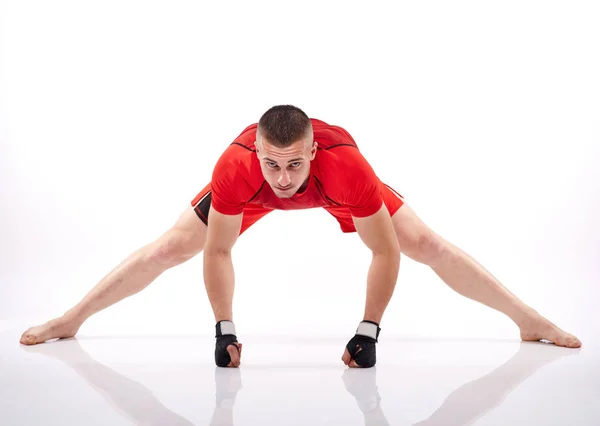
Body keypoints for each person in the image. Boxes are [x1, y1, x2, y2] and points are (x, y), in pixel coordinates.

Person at [19, 105, 582, 368]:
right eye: (272, 164)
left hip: (338, 187)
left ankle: (528, 320)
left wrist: (368, 332)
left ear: (312, 151)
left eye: (293, 164)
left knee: (425, 244)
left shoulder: (346, 168)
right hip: (245, 193)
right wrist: (224, 329)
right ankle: (71, 320)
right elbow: (218, 250)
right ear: (257, 154)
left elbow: (384, 250)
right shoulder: (237, 170)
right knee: (171, 246)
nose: (284, 180)